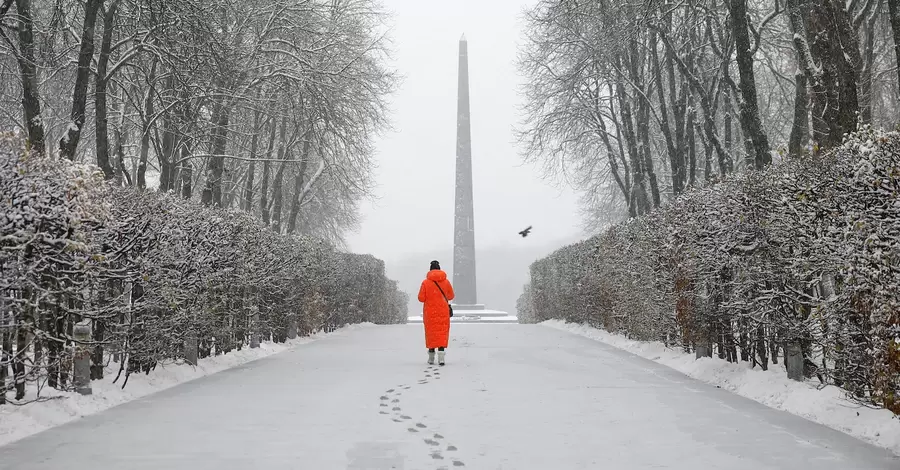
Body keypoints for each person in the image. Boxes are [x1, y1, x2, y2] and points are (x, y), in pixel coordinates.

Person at [418, 260, 454, 365]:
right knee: (442, 333)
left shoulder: (425, 282)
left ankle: (431, 356)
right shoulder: (446, 282)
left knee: (431, 333)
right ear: (439, 269)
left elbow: (421, 298)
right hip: (443, 311)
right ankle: (441, 357)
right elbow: (451, 296)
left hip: (430, 312)